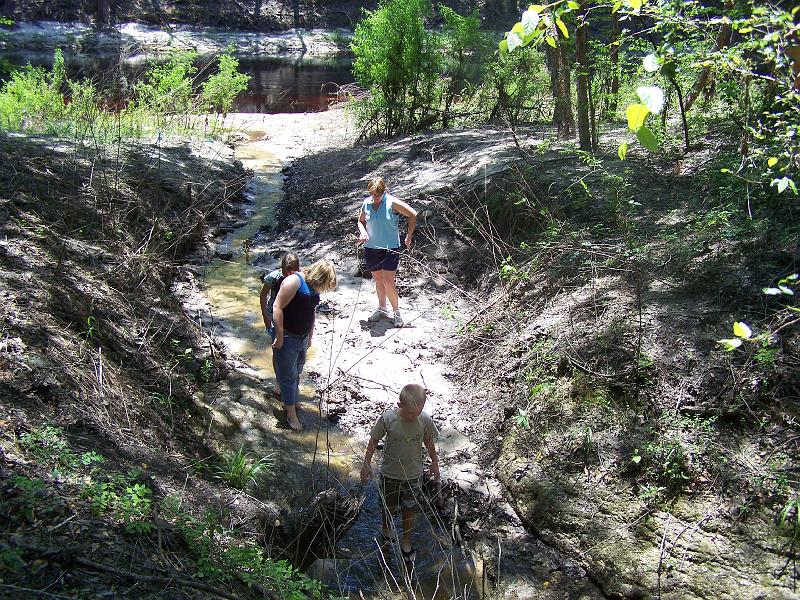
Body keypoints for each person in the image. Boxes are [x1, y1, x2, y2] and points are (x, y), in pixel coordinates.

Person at [360, 384, 440, 563]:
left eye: (418, 412)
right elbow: (373, 440)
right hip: (390, 474)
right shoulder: (388, 419)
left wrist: (435, 463)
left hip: (413, 475)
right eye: (411, 412)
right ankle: (386, 529)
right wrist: (366, 464)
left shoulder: (424, 420)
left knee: (409, 509)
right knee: (387, 506)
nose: (414, 416)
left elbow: (428, 441)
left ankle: (406, 541)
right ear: (400, 404)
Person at [272, 260, 337, 432]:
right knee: (287, 374)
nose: (322, 288)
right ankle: (291, 415)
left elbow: (311, 312)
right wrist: (279, 335)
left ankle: (292, 400)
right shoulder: (294, 281)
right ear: (318, 276)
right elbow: (277, 307)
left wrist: (310, 335)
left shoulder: (313, 286)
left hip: (301, 337)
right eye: (323, 284)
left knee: (297, 370)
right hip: (286, 335)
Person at [357, 177, 417, 327]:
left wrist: (409, 236)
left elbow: (413, 214)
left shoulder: (392, 202)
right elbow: (360, 221)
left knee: (388, 282)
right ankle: (382, 309)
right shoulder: (367, 203)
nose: (374, 197)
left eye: (377, 194)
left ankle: (396, 313)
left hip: (390, 248)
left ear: (384, 192)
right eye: (372, 194)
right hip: (371, 248)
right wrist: (363, 231)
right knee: (378, 280)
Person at [260, 252, 301, 396]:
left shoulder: (300, 278)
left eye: (293, 271)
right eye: (287, 271)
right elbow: (263, 294)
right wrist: (265, 315)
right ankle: (279, 381)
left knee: (293, 351)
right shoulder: (273, 277)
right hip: (274, 315)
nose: (290, 274)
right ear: (282, 268)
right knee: (277, 349)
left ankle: (293, 382)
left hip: (293, 317)